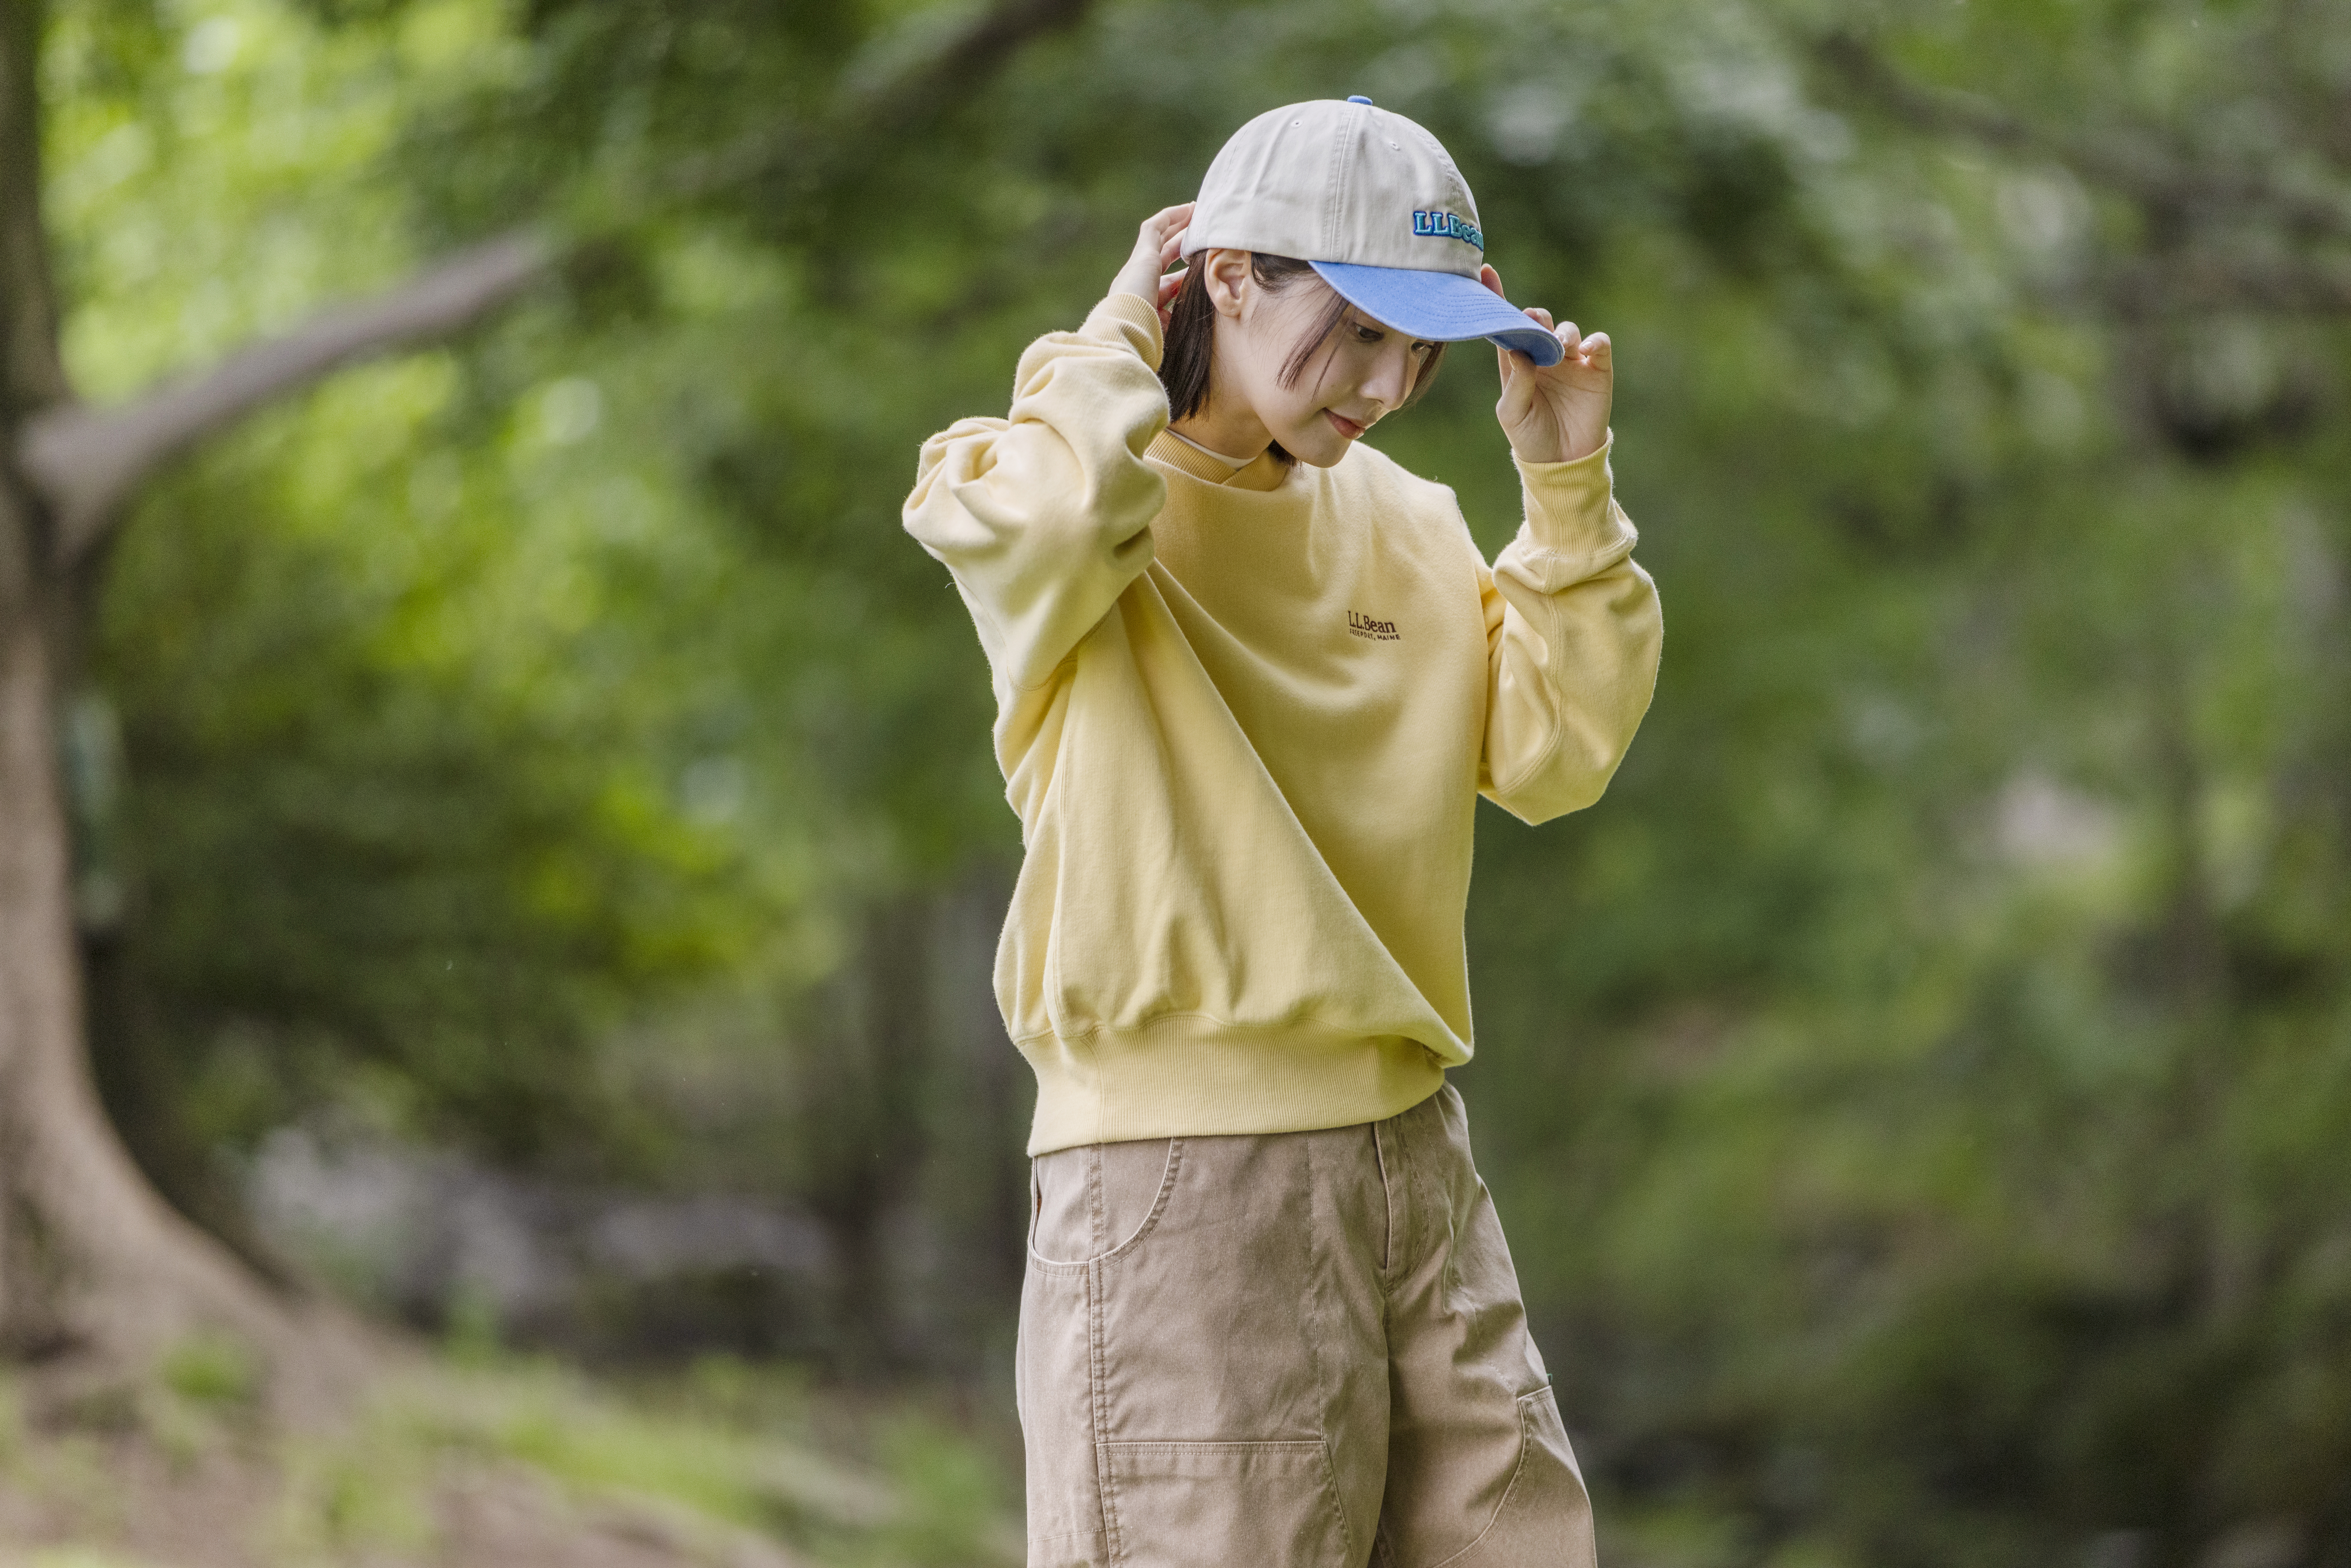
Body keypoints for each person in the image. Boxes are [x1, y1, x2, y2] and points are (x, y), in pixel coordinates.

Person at [903, 96, 1663, 1568]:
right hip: (1183, 1185)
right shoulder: (1055, 491)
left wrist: (1563, 484)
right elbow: (1058, 525)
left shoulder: (1412, 521)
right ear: (1228, 276)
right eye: (1358, 330)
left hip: (1414, 1161)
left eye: (1418, 349)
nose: (1384, 385)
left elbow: (1554, 755)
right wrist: (1121, 326)